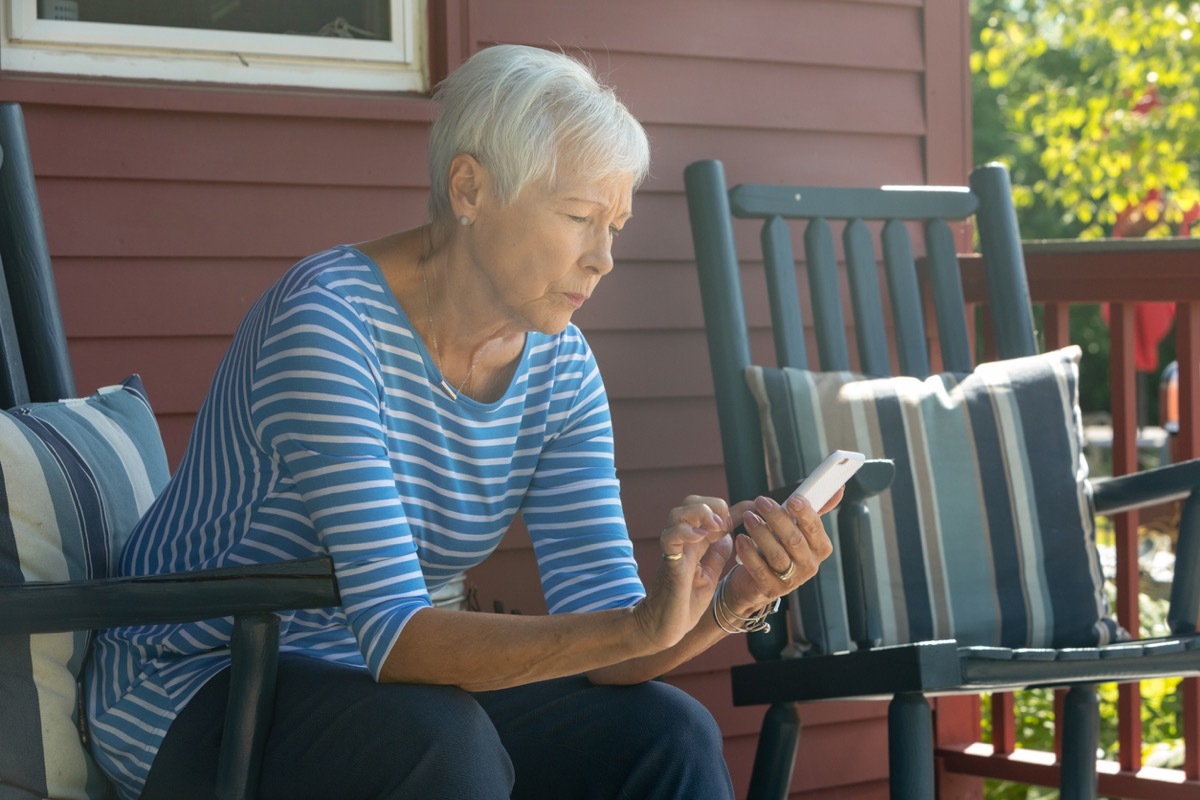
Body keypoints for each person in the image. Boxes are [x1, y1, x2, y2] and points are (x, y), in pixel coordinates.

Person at [86, 44, 839, 800]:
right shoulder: (328, 325)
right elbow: (400, 637)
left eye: (615, 224)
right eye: (579, 216)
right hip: (198, 684)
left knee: (668, 735)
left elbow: (612, 639)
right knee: (445, 747)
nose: (603, 258)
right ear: (470, 188)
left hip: (379, 691)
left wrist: (726, 601)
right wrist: (638, 628)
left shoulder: (560, 367)